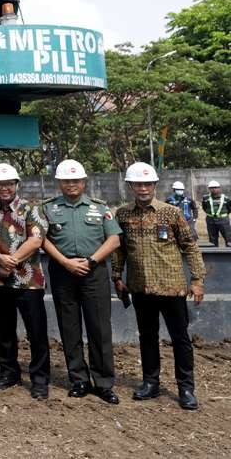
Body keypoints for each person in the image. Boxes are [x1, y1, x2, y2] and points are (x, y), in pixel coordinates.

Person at [112, 162, 206, 411]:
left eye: (147, 184)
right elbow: (119, 249)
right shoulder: (123, 214)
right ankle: (150, 382)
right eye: (138, 184)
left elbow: (190, 246)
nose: (143, 188)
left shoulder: (171, 213)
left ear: (154, 185)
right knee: (148, 337)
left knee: (180, 339)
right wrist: (116, 276)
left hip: (171, 287)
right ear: (131, 186)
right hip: (141, 288)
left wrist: (197, 280)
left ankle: (186, 388)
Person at [40, 159, 121, 404]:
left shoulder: (100, 207)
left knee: (99, 328)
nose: (71, 184)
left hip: (93, 272)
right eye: (66, 181)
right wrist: (65, 262)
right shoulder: (48, 209)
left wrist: (92, 261)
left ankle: (104, 383)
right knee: (69, 327)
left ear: (84, 182)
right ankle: (79, 380)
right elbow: (41, 239)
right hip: (63, 272)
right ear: (59, 183)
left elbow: (114, 239)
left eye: (76, 181)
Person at [0, 163, 51, 399]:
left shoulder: (31, 209)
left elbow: (36, 240)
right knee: (5, 330)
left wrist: (9, 260)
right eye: (0, 184)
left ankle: (40, 380)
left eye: (9, 184)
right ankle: (9, 373)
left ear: (16, 185)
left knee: (36, 332)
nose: (5, 188)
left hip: (29, 282)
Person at [202, 180, 230, 247]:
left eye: (215, 187)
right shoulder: (205, 198)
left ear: (219, 188)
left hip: (223, 220)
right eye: (211, 188)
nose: (214, 189)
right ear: (209, 189)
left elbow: (229, 208)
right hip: (210, 220)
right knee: (212, 239)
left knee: (228, 237)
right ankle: (214, 255)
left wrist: (223, 214)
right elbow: (204, 207)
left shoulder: (226, 198)